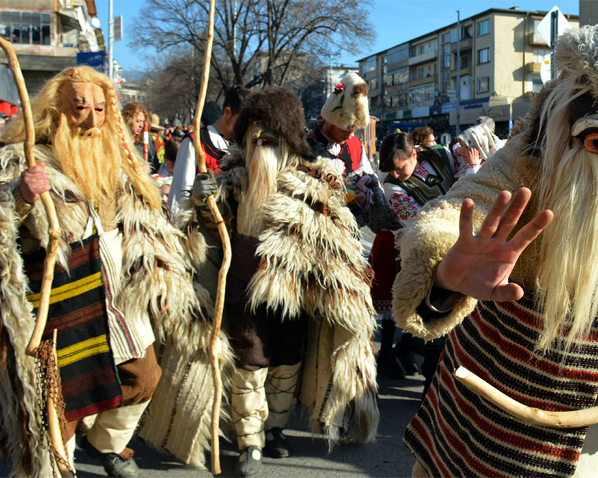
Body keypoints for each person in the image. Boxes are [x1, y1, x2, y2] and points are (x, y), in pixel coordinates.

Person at [393, 8, 598, 477]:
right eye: (589, 135)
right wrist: (443, 270)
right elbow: (463, 205)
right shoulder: (528, 152)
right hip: (496, 382)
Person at [0, 66, 221, 478]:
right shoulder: (21, 157)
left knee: (144, 376)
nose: (91, 120)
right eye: (79, 108)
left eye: (99, 108)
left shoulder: (123, 165)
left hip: (117, 294)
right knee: (60, 401)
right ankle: (58, 467)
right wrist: (19, 196)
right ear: (57, 110)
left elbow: (157, 227)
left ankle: (106, 444)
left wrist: (199, 207)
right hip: (60, 297)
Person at [189, 87, 379, 477]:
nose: (261, 147)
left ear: (289, 140)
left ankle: (274, 429)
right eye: (254, 138)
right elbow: (211, 226)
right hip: (243, 285)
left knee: (287, 361)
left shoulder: (314, 180)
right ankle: (250, 441)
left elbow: (337, 230)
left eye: (270, 139)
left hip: (296, 292)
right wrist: (201, 199)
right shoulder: (233, 177)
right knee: (250, 362)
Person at [374, 132, 458, 395]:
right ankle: (429, 391)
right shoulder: (392, 187)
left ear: (414, 154)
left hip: (461, 243)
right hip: (429, 255)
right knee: (435, 324)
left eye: (399, 168)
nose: (396, 174)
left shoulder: (443, 156)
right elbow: (416, 223)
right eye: (391, 170)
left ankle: (404, 354)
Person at [307, 71, 395, 232]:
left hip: (349, 229)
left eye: (354, 129)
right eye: (345, 128)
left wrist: (365, 195)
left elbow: (369, 178)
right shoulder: (307, 145)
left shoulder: (355, 144)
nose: (350, 135)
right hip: (314, 228)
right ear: (331, 120)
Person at [168, 86, 250, 210]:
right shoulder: (194, 142)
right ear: (227, 113)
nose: (243, 128)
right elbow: (179, 195)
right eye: (240, 122)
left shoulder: (239, 147)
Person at [121, 102, 158, 174]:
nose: (141, 125)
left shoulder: (147, 140)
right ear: (127, 120)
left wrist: (150, 168)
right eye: (138, 121)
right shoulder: (118, 140)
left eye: (143, 122)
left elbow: (156, 166)